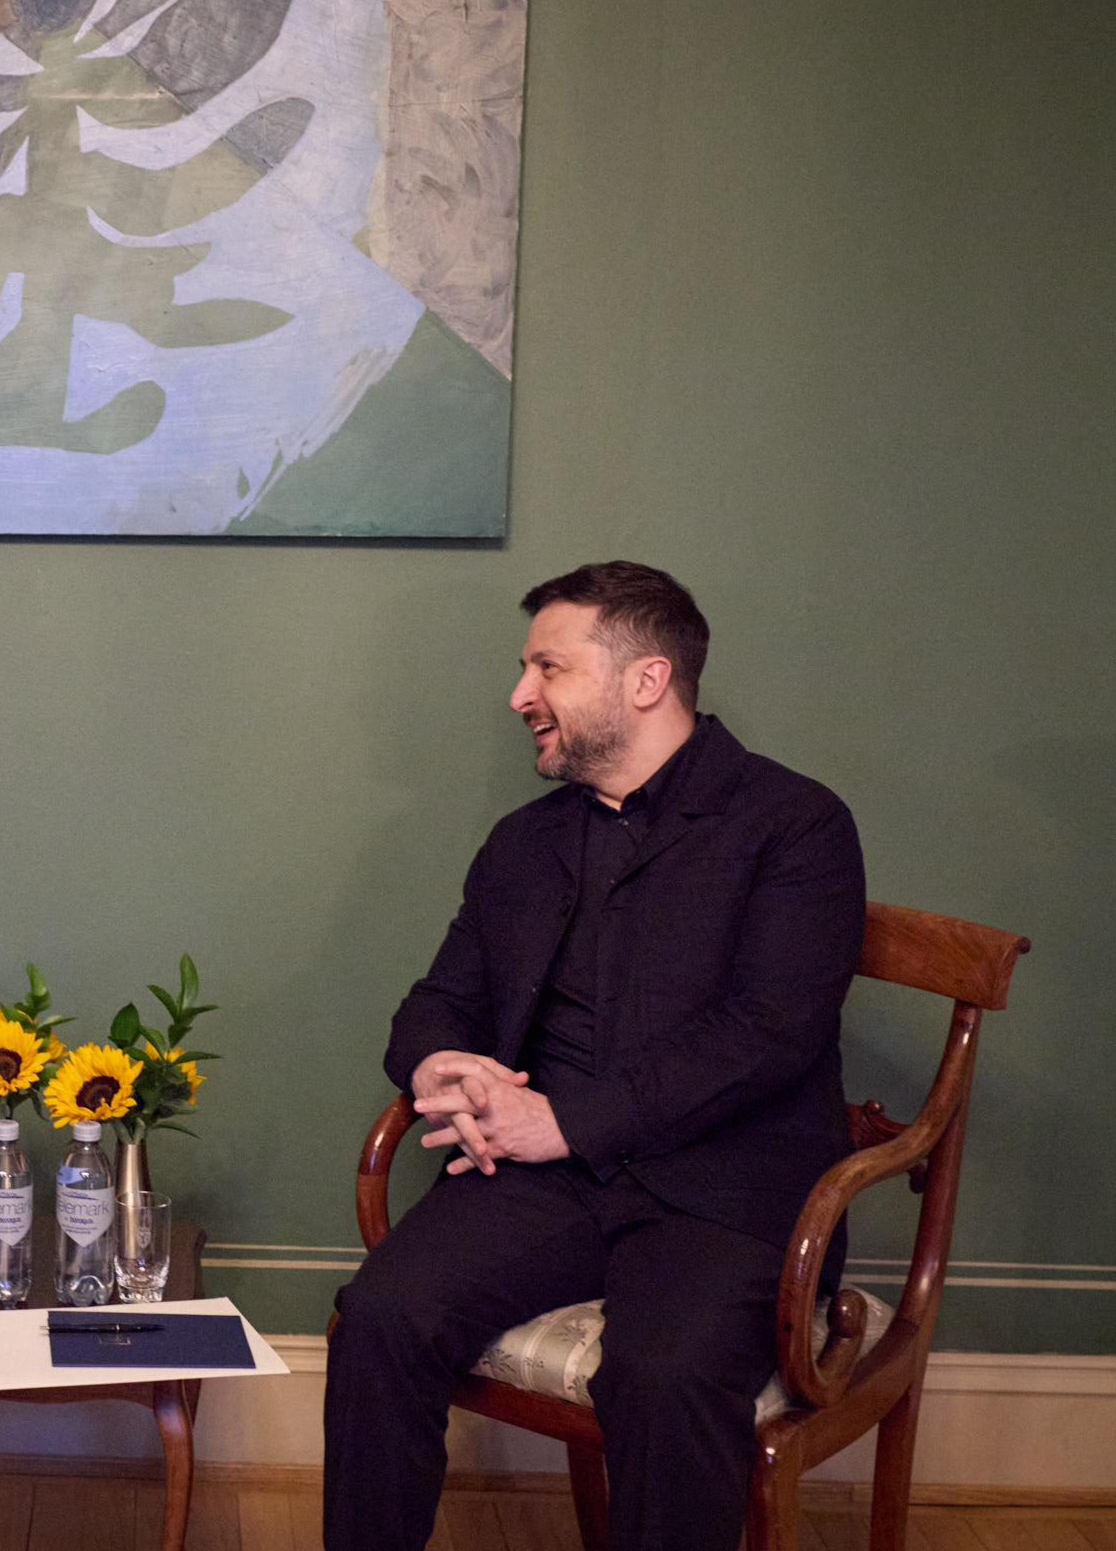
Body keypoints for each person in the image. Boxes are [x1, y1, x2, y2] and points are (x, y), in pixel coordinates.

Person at [322, 562, 865, 1551]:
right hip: (545, 1181)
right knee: (381, 1313)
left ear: (646, 679)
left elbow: (768, 1032)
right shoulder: (525, 842)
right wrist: (438, 1063)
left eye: (549, 667)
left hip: (723, 1190)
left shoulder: (796, 825)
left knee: (664, 1374)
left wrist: (563, 1119)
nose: (519, 694)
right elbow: (442, 998)